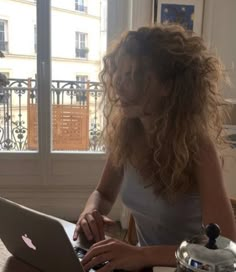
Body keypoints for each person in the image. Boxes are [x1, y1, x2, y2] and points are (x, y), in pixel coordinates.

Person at [73, 24, 236, 270]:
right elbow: (103, 194)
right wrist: (90, 210)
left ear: (167, 86)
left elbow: (225, 246)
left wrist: (141, 255)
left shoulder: (197, 147)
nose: (120, 86)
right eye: (120, 74)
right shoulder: (127, 134)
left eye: (134, 76)